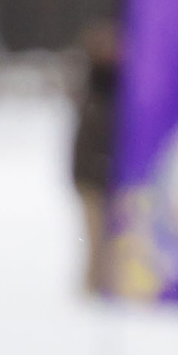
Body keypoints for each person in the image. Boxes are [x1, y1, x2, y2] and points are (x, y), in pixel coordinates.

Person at [72, 22, 122, 297]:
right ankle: (94, 290)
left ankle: (100, 287)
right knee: (96, 238)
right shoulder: (98, 94)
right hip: (94, 178)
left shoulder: (105, 91)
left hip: (97, 176)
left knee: (103, 239)